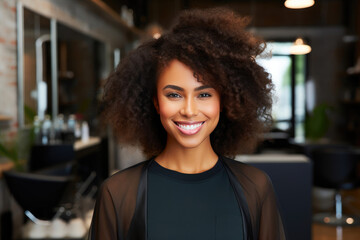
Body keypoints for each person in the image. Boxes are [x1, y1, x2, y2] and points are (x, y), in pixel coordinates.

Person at [89, 7, 286, 240]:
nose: (189, 111)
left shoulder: (255, 188)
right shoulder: (118, 194)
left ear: (225, 101)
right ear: (155, 102)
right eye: (174, 95)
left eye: (204, 95)